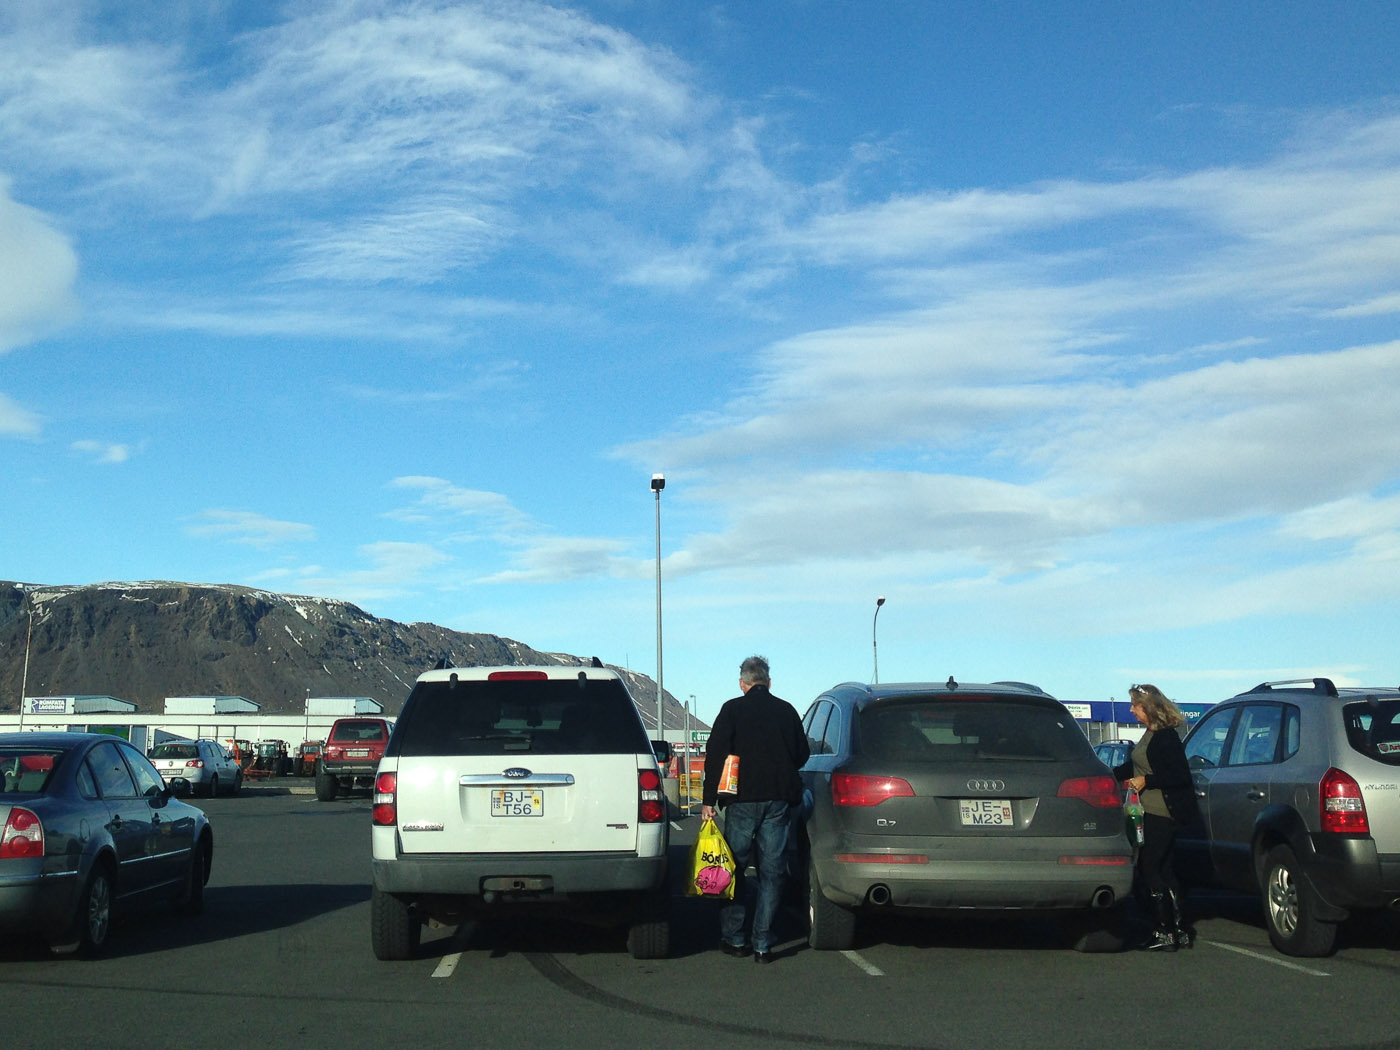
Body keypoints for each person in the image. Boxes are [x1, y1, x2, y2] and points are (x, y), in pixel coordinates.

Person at [701, 655, 810, 963]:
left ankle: (735, 938)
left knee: (733, 868)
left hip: (740, 801)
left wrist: (708, 801)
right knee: (772, 872)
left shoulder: (732, 710)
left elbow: (714, 756)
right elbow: (802, 755)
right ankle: (762, 942)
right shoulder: (786, 711)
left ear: (743, 684)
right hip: (777, 801)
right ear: (769, 682)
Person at [1113, 683, 1198, 951]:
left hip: (1161, 811)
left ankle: (1164, 931)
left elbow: (1179, 775)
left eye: (1135, 705)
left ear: (1147, 707)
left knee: (1149, 866)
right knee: (1165, 868)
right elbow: (1136, 765)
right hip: (1148, 810)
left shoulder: (1166, 737)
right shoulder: (1150, 734)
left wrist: (1146, 780)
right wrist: (1109, 774)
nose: (1131, 710)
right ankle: (1180, 930)